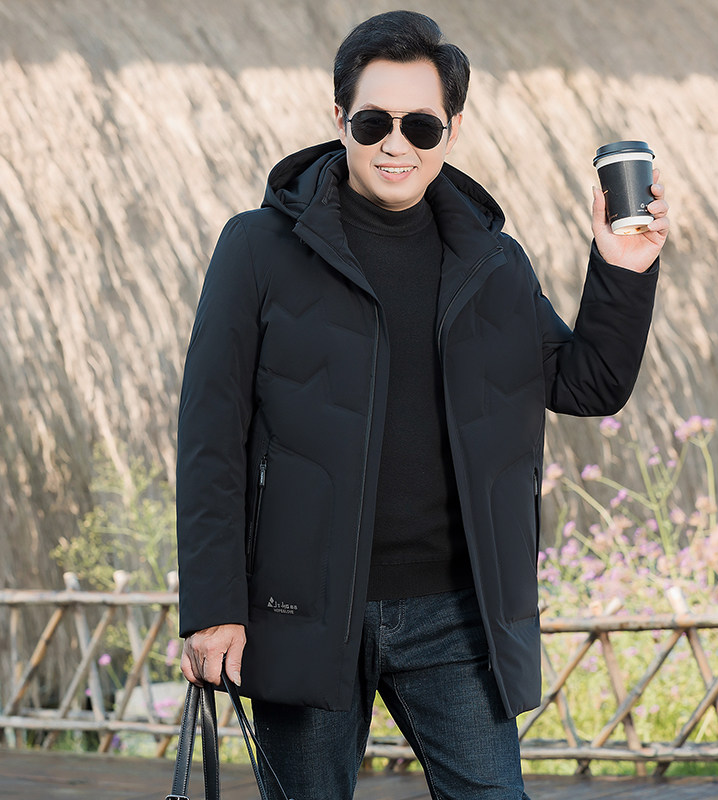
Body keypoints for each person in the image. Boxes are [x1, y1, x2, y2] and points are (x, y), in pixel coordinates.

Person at [177, 10, 668, 799]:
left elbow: (588, 384)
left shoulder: (493, 262)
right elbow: (210, 436)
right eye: (372, 122)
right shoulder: (256, 249)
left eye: (421, 125)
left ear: (453, 128)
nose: (395, 145)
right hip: (302, 608)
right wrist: (212, 609)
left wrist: (623, 267)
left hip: (455, 616)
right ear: (340, 119)